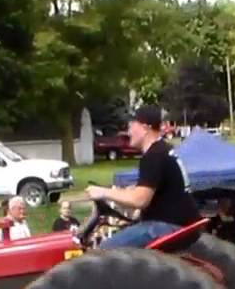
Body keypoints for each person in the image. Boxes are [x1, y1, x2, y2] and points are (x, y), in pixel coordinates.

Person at [84, 105, 200, 249]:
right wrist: (122, 193)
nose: (128, 131)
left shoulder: (154, 156)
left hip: (167, 227)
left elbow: (140, 200)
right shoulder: (164, 150)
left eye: (132, 125)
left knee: (104, 253)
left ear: (145, 128)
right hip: (180, 224)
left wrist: (103, 192)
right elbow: (150, 190)